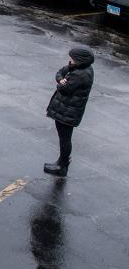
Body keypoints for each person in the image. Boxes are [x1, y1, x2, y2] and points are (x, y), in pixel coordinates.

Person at [44, 47, 94, 177]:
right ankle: (61, 162)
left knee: (65, 139)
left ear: (79, 59)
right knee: (64, 138)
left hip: (68, 112)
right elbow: (60, 72)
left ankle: (63, 166)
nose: (69, 60)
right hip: (66, 110)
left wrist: (60, 84)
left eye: (72, 58)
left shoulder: (81, 74)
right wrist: (61, 79)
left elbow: (64, 89)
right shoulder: (79, 68)